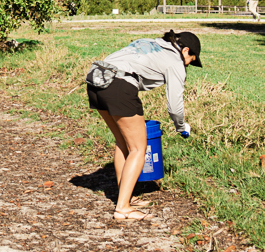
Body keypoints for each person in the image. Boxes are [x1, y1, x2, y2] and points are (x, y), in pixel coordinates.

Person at [85, 30, 202, 221]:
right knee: (139, 148)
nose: (188, 64)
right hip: (119, 85)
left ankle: (125, 197)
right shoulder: (175, 62)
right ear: (185, 50)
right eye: (191, 59)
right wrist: (181, 127)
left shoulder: (149, 43)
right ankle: (123, 208)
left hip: (96, 79)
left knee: (123, 142)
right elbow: (174, 106)